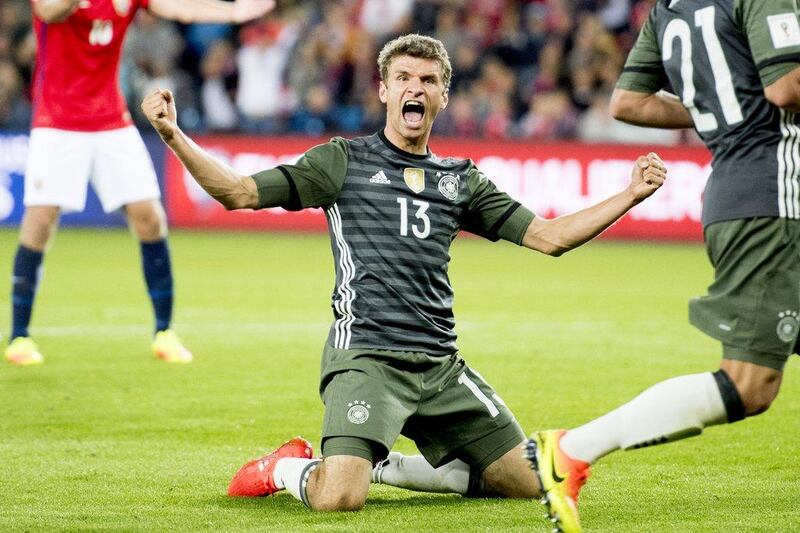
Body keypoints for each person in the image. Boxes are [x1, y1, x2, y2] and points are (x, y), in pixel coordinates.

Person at [141, 34, 666, 523]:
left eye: (429, 80)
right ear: (384, 90)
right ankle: (284, 468)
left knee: (529, 481)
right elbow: (237, 192)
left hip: (439, 365)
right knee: (339, 499)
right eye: (405, 78)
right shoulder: (341, 162)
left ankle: (383, 462)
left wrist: (629, 195)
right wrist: (172, 134)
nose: (416, 87)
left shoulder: (461, 181)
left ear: (442, 96)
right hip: (367, 355)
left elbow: (550, 238)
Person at [525, 1, 800, 531]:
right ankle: (571, 450)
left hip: (739, 193)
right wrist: (734, 104)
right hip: (772, 197)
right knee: (750, 383)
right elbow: (787, 87)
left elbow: (629, 102)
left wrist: (721, 107)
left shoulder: (668, 10)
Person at [4, 0, 275, 366]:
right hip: (57, 122)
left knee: (150, 218)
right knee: (39, 222)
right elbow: (50, 11)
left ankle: (164, 331)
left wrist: (232, 13)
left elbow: (179, 8)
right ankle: (19, 337)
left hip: (112, 121)